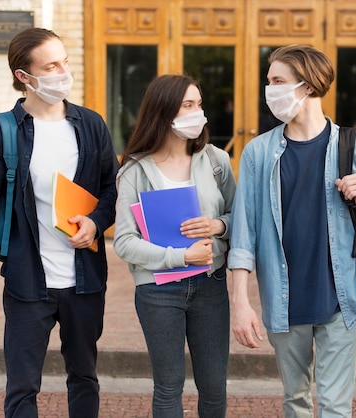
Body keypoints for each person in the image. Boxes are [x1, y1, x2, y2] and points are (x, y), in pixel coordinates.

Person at [228, 44, 356, 417]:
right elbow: (243, 237)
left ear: (306, 87)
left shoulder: (355, 145)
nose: (269, 89)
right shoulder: (258, 153)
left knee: (336, 406)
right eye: (269, 80)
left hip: (340, 296)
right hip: (282, 298)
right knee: (296, 400)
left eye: (278, 81)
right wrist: (240, 303)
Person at [0, 28, 118, 418]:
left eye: (64, 61)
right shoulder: (1, 132)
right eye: (51, 66)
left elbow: (110, 192)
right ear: (24, 76)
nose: (63, 72)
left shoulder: (91, 125)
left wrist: (96, 223)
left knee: (84, 378)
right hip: (27, 281)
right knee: (22, 388)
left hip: (84, 281)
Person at [113, 74, 236, 417]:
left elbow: (240, 217)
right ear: (165, 111)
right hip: (157, 291)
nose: (199, 112)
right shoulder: (134, 171)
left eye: (199, 104)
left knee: (213, 385)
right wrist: (180, 256)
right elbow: (123, 242)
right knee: (168, 387)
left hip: (210, 285)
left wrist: (218, 225)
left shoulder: (215, 161)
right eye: (188, 105)